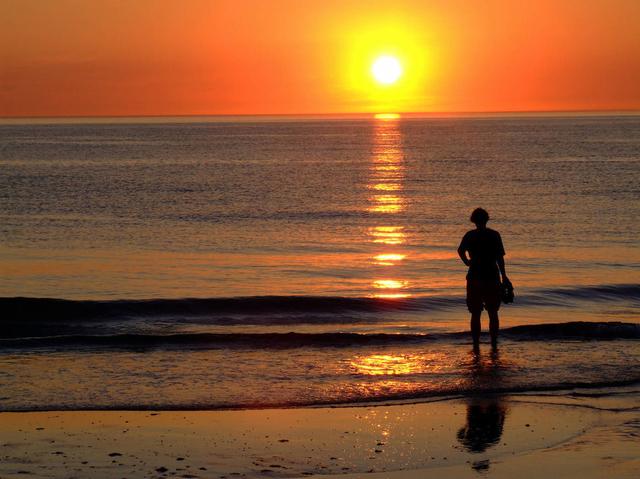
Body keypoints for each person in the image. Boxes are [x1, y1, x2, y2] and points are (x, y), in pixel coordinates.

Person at [457, 208, 509, 347]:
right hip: (492, 275)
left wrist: (467, 262)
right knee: (493, 312)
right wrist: (504, 276)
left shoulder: (470, 235)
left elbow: (460, 250)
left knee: (475, 313)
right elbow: (500, 258)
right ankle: (494, 344)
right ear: (486, 219)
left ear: (473, 220)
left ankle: (476, 345)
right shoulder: (494, 235)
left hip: (475, 276)